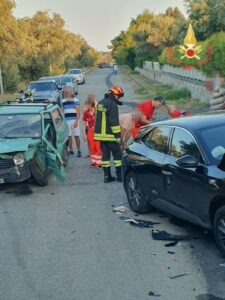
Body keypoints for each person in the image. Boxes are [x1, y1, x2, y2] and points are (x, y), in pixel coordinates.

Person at [94, 85, 124, 183]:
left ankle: (107, 177)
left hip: (101, 136)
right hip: (110, 136)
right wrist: (118, 137)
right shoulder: (112, 104)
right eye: (119, 96)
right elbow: (114, 122)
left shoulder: (100, 103)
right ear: (115, 94)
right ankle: (120, 177)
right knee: (118, 156)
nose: (118, 98)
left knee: (105, 157)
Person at [61, 86, 81, 157]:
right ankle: (71, 151)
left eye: (68, 91)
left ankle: (79, 151)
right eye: (66, 91)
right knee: (69, 137)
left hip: (74, 120)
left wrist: (76, 121)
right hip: (67, 121)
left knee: (76, 136)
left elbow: (78, 111)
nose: (67, 92)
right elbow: (62, 111)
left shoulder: (76, 100)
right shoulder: (63, 101)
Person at [83, 94, 102, 168]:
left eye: (88, 105)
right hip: (90, 131)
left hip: (97, 131)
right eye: (87, 105)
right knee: (92, 147)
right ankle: (94, 162)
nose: (87, 107)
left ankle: (99, 163)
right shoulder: (86, 113)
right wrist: (84, 134)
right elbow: (84, 125)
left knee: (98, 147)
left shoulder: (97, 112)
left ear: (92, 105)